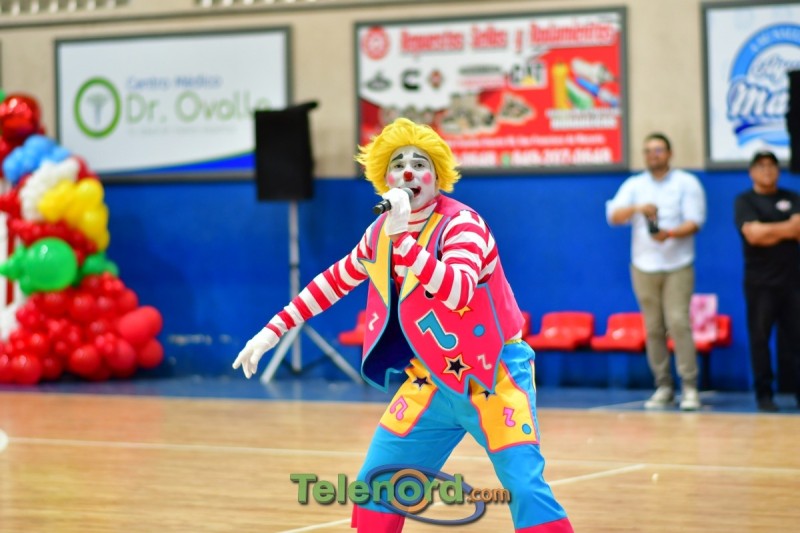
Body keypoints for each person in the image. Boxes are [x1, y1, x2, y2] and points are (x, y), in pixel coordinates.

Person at [233, 118, 573, 532]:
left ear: (437, 176)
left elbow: (459, 290)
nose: (408, 172)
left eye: (419, 164)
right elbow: (333, 282)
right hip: (431, 378)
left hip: (493, 375)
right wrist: (273, 330)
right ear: (385, 179)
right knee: (376, 487)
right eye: (398, 165)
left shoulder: (462, 224)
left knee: (525, 489)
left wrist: (406, 244)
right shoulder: (380, 233)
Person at [605, 133, 707, 411]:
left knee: (678, 322)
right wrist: (637, 208)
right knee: (653, 328)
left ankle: (689, 386)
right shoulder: (635, 185)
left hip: (678, 264)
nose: (653, 155)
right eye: (648, 150)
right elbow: (613, 215)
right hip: (643, 265)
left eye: (659, 149)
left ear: (670, 153)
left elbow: (695, 221)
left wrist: (669, 234)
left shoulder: (687, 182)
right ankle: (664, 386)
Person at [734, 150, 800, 412]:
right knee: (760, 339)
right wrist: (787, 229)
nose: (767, 170)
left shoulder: (792, 197)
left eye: (772, 165)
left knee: (797, 339)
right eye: (760, 166)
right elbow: (754, 235)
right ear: (751, 172)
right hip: (760, 283)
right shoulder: (745, 201)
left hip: (793, 281)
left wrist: (768, 230)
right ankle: (764, 394)